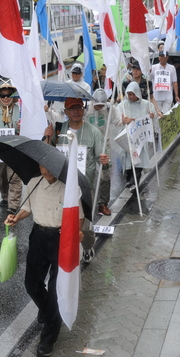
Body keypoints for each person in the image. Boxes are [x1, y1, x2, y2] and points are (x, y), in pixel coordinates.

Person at [4, 164, 87, 357]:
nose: (46, 169)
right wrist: (16, 217)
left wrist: (76, 233)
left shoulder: (69, 187)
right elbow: (27, 207)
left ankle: (48, 338)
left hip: (62, 238)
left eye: (50, 166)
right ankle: (48, 311)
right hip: (38, 236)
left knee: (56, 290)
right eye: (43, 166)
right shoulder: (33, 183)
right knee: (31, 284)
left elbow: (79, 217)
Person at [52, 98, 103, 261]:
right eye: (71, 108)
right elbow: (49, 153)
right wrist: (47, 137)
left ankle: (87, 246)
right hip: (62, 184)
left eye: (79, 108)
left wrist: (104, 160)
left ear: (83, 110)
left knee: (86, 223)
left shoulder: (94, 132)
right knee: (62, 219)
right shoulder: (57, 130)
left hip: (85, 185)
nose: (75, 111)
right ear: (65, 112)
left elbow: (101, 158)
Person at [0, 80, 22, 214]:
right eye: (3, 95)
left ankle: (14, 204)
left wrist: (21, 127)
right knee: (3, 176)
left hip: (15, 149)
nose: (6, 98)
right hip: (0, 150)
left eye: (9, 95)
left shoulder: (20, 111)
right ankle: (5, 196)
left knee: (14, 176)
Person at [116, 82, 157, 188]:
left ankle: (135, 181)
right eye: (129, 94)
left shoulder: (146, 104)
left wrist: (152, 115)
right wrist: (123, 120)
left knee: (139, 160)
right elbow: (117, 119)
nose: (131, 97)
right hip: (127, 138)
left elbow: (153, 116)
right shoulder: (122, 105)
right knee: (127, 159)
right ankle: (129, 179)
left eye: (133, 94)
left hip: (140, 138)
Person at [85, 89, 117, 216]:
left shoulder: (109, 109)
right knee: (88, 172)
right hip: (89, 144)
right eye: (97, 105)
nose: (98, 108)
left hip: (104, 145)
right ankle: (88, 202)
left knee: (105, 173)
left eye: (101, 106)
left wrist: (124, 120)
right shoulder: (86, 108)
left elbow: (118, 120)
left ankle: (103, 203)